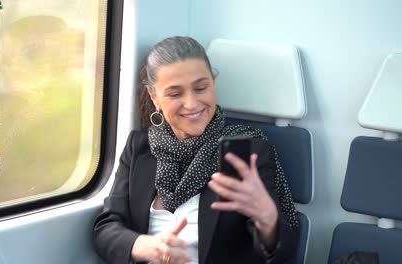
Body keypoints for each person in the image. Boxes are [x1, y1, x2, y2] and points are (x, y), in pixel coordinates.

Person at [93, 36, 299, 264]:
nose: (191, 104)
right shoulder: (139, 147)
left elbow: (283, 255)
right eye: (174, 94)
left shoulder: (249, 149)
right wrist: (141, 245)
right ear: (155, 98)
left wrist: (268, 219)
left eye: (201, 88)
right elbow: (107, 226)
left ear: (213, 83)